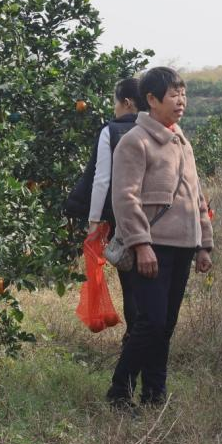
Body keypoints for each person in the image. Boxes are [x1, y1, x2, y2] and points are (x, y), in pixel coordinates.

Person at [106, 67, 214, 406]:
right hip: (151, 249)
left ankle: (155, 393)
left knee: (165, 324)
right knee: (149, 322)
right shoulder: (134, 142)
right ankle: (119, 390)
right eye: (173, 94)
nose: (181, 100)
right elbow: (125, 197)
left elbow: (197, 196)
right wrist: (141, 244)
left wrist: (204, 243)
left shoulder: (182, 141)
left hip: (183, 245)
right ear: (151, 100)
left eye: (183, 93)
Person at [83, 78, 147, 342]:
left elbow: (102, 179)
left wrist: (94, 220)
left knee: (130, 282)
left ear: (127, 102)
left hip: (126, 217)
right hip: (159, 217)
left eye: (115, 102)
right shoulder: (162, 128)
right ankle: (148, 338)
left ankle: (134, 337)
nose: (114, 109)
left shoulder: (112, 130)